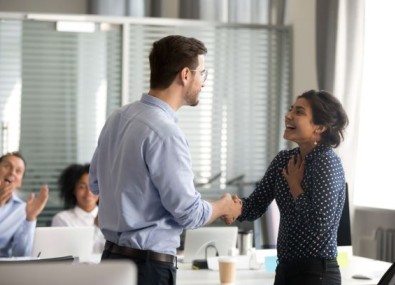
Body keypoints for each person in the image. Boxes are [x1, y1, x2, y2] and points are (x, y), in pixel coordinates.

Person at [89, 35, 241, 285]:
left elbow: (95, 184)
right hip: (148, 269)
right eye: (202, 73)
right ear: (185, 75)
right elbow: (189, 214)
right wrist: (223, 206)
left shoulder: (119, 116)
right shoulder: (165, 133)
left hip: (111, 261)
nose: (203, 82)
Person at [226, 90, 349, 285]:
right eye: (291, 109)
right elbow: (254, 206)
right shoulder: (284, 160)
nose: (288, 115)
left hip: (316, 273)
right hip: (284, 270)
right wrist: (228, 206)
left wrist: (295, 187)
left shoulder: (326, 162)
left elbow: (319, 225)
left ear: (320, 127)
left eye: (299, 112)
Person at [0, 151, 49, 257]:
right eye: (7, 166)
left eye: (18, 171)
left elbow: (22, 254)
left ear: (20, 181)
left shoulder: (22, 210)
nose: (12, 172)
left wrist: (30, 218)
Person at [52, 163, 105, 254]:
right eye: (82, 187)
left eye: (93, 186)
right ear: (73, 190)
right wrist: (97, 227)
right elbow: (70, 253)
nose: (88, 192)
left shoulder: (110, 218)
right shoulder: (62, 219)